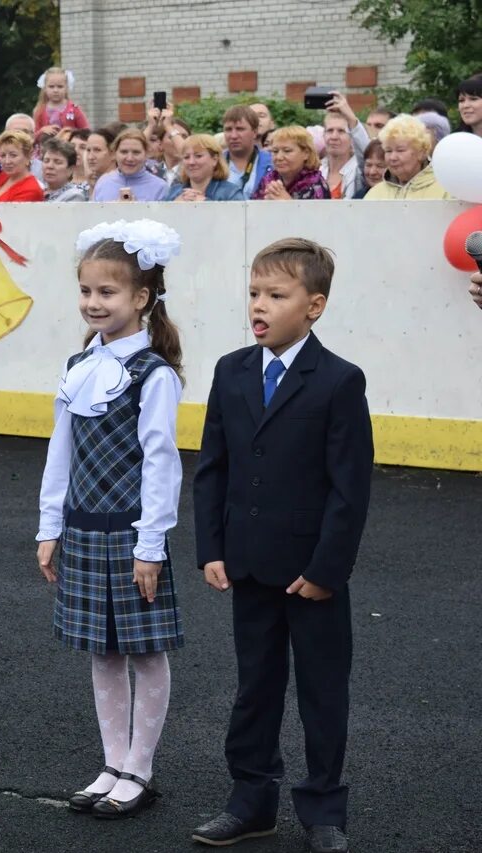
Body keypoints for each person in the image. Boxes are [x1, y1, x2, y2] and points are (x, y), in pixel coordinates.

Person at [191, 239, 373, 853]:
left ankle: (325, 812)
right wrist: (211, 547)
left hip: (312, 572)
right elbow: (213, 466)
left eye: (276, 295)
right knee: (255, 688)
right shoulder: (231, 370)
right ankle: (251, 801)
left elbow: (350, 489)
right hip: (247, 563)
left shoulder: (340, 381)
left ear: (314, 306)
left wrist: (327, 569)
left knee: (322, 691)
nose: (259, 306)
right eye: (254, 293)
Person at [37, 218, 184, 819]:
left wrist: (150, 545)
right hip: (84, 528)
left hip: (129, 534)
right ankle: (111, 761)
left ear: (141, 298)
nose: (94, 303)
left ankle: (140, 769)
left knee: (145, 652)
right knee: (102, 651)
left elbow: (161, 464)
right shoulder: (79, 363)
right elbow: (60, 452)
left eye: (108, 292)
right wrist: (50, 526)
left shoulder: (154, 374)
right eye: (87, 291)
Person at [361, 115, 450, 200]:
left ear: (421, 152)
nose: (392, 157)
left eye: (400, 150)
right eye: (388, 151)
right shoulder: (375, 194)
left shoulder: (446, 190)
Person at [251, 126, 328, 201]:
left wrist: (287, 202)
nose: (279, 157)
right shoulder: (268, 180)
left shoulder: (316, 185)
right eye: (275, 151)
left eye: (287, 151)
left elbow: (317, 214)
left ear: (306, 153)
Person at [92, 129, 169, 202]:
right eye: (124, 152)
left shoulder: (160, 187)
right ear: (115, 153)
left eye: (136, 152)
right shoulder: (103, 183)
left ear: (146, 154)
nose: (129, 158)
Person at [318, 94, 370, 199]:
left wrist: (351, 119)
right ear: (323, 135)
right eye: (330, 130)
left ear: (352, 138)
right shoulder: (318, 170)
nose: (334, 136)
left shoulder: (359, 170)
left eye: (341, 131)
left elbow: (368, 154)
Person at [166, 134, 242, 201]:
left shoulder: (231, 193)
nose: (191, 162)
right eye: (186, 157)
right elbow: (158, 217)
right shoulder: (173, 192)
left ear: (214, 160)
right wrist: (173, 207)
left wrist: (206, 204)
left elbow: (241, 217)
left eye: (198, 156)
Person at [222, 106, 273, 200]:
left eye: (240, 129)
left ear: (254, 132)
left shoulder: (273, 163)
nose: (233, 136)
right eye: (228, 129)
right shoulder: (212, 163)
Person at [33, 67, 89, 133]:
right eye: (51, 86)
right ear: (45, 88)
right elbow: (34, 136)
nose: (55, 90)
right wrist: (42, 130)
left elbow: (86, 132)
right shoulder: (40, 110)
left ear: (66, 88)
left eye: (60, 86)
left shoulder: (74, 109)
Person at [83, 129, 115, 198]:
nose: (90, 157)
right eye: (88, 150)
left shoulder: (122, 185)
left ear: (113, 153)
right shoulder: (82, 190)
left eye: (97, 150)